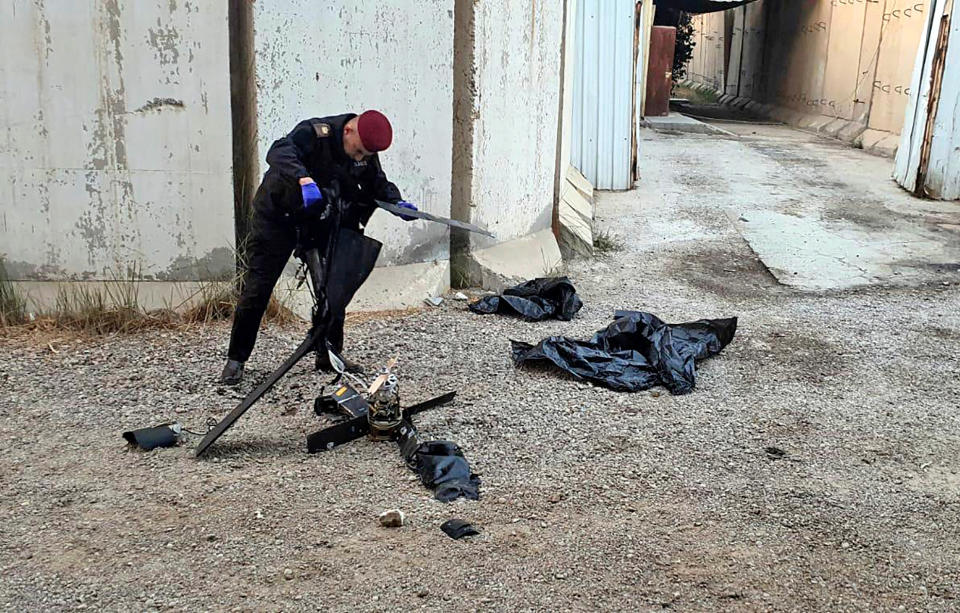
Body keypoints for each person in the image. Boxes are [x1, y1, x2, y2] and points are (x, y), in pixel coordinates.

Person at [219, 110, 417, 385]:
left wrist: (396, 202)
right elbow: (278, 152)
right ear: (349, 131)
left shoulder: (364, 150)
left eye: (365, 155)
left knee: (334, 285)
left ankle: (328, 353)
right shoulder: (314, 133)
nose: (360, 158)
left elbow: (376, 182)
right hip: (278, 217)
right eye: (358, 151)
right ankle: (236, 361)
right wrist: (303, 178)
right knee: (257, 289)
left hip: (317, 220)